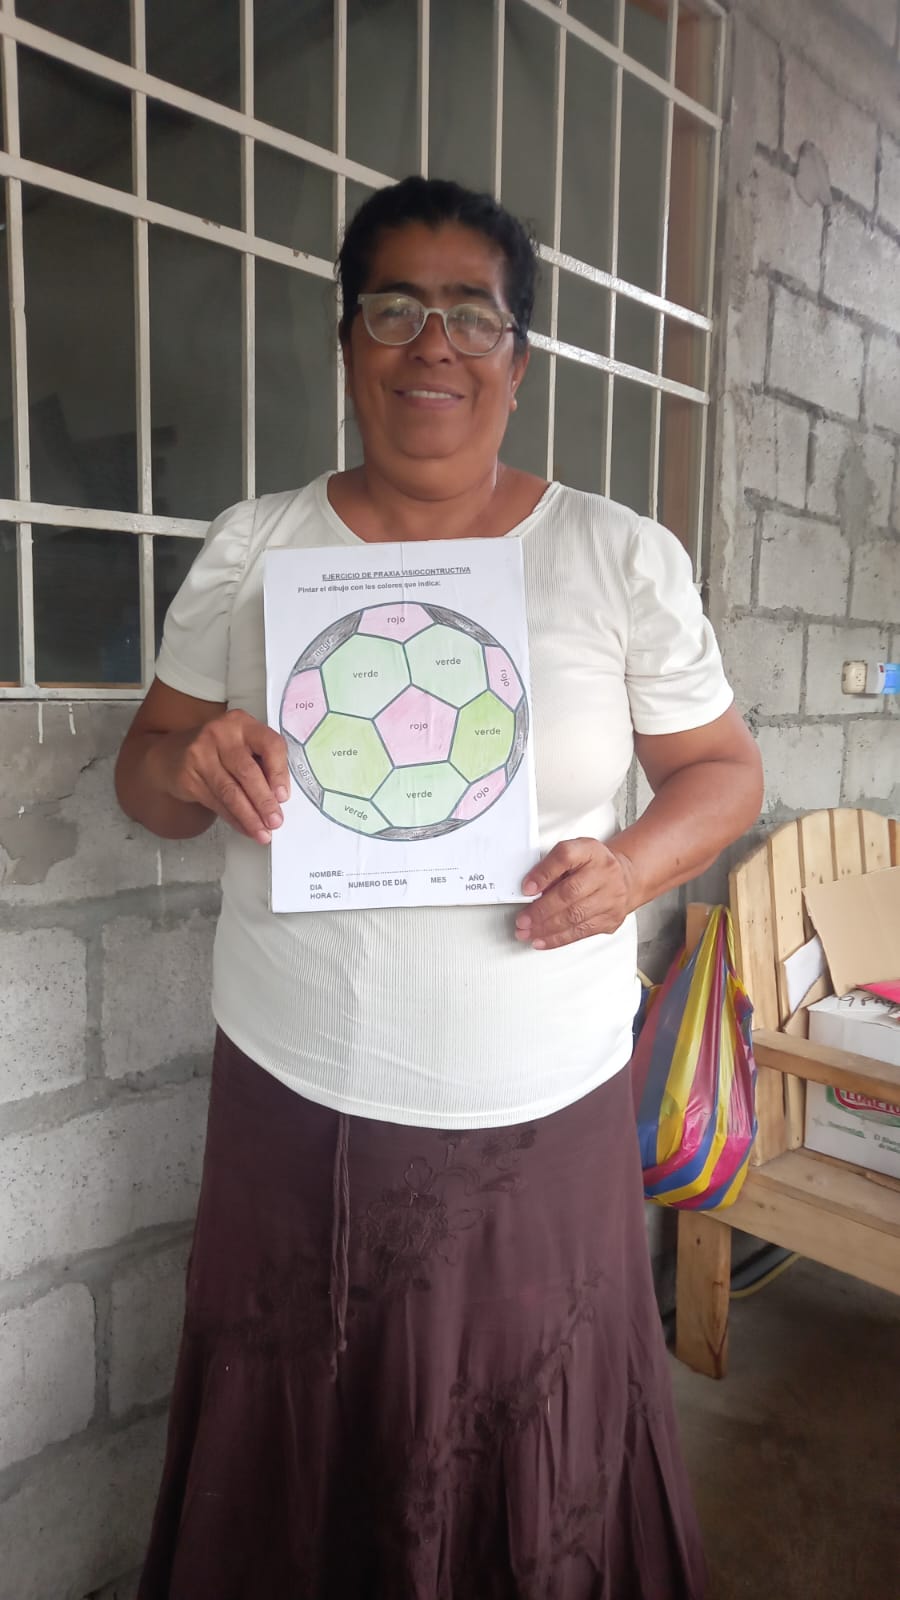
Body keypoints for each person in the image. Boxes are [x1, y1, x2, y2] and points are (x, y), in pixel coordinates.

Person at [116, 175, 763, 1600]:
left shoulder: (615, 557)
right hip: (298, 1098)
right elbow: (144, 780)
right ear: (346, 342)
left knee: (535, 1452)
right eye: (394, 308)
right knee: (302, 1441)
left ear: (518, 363)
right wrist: (194, 764)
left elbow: (723, 771)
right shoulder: (258, 546)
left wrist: (632, 868)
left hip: (542, 1109)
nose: (434, 345)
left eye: (474, 314)